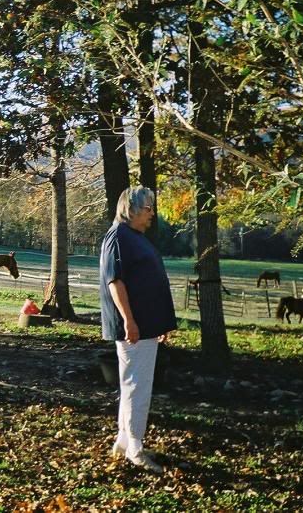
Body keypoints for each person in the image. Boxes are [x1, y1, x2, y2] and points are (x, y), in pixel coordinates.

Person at [99, 186, 177, 474]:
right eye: (148, 209)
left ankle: (123, 441)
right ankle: (135, 446)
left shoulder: (133, 237)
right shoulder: (118, 237)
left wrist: (161, 323)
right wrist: (130, 321)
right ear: (131, 209)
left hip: (146, 325)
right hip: (135, 327)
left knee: (133, 383)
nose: (152, 214)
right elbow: (115, 282)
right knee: (137, 386)